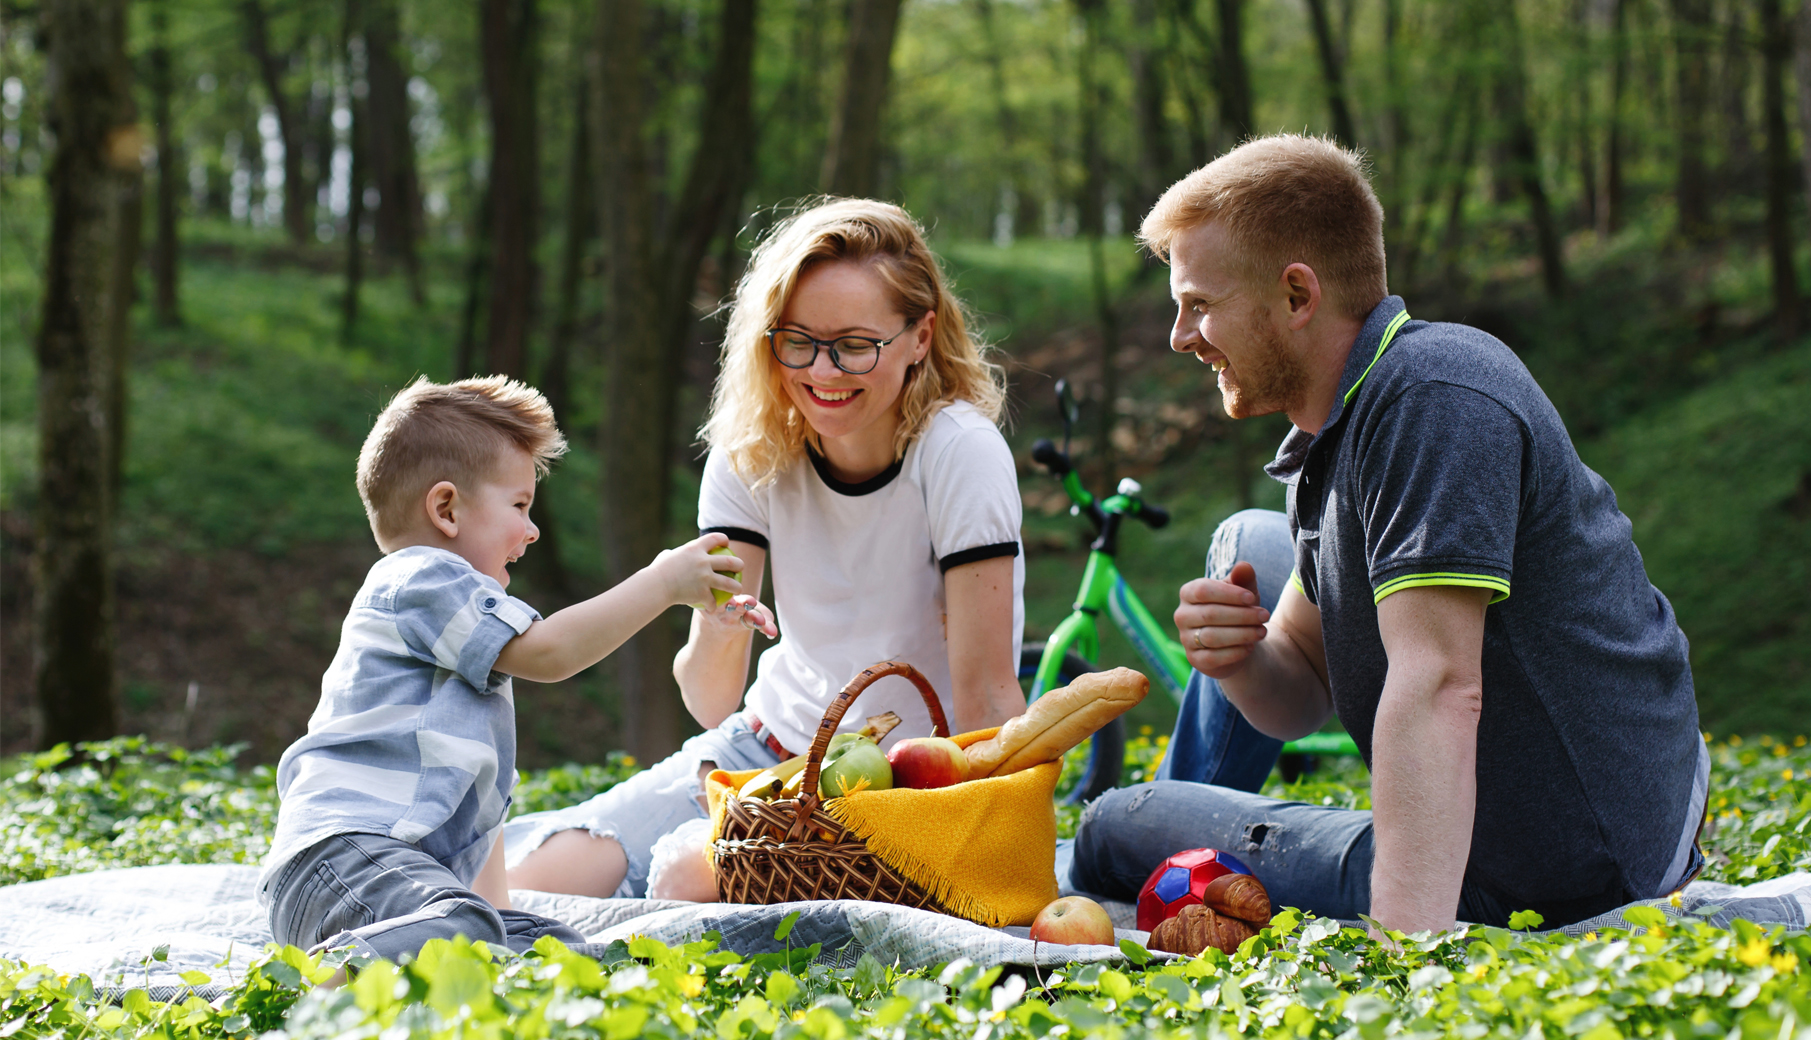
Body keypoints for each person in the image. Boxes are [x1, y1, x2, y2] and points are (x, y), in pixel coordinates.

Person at [1069, 136, 1708, 934]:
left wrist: (1404, 955)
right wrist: (1238, 659)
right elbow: (1301, 681)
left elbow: (1441, 684)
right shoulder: (1345, 424)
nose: (1180, 336)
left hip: (1554, 866)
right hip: (1599, 830)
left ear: (1297, 295)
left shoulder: (1434, 399)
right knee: (1251, 539)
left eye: (1198, 304)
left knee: (1111, 827)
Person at [504, 198, 1031, 900]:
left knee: (690, 882)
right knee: (532, 885)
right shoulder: (754, 449)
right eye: (798, 341)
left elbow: (987, 695)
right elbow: (711, 697)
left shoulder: (958, 453)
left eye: (853, 344)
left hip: (902, 785)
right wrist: (722, 624)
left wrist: (989, 851)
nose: (823, 371)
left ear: (920, 336)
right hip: (764, 751)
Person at [260, 376, 760, 959]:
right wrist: (663, 583)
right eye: (519, 505)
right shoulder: (421, 576)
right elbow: (551, 653)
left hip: (395, 883)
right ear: (445, 508)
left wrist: (505, 926)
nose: (532, 529)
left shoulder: (461, 637)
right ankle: (312, 988)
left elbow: (481, 837)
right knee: (463, 928)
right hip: (341, 859)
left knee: (552, 948)